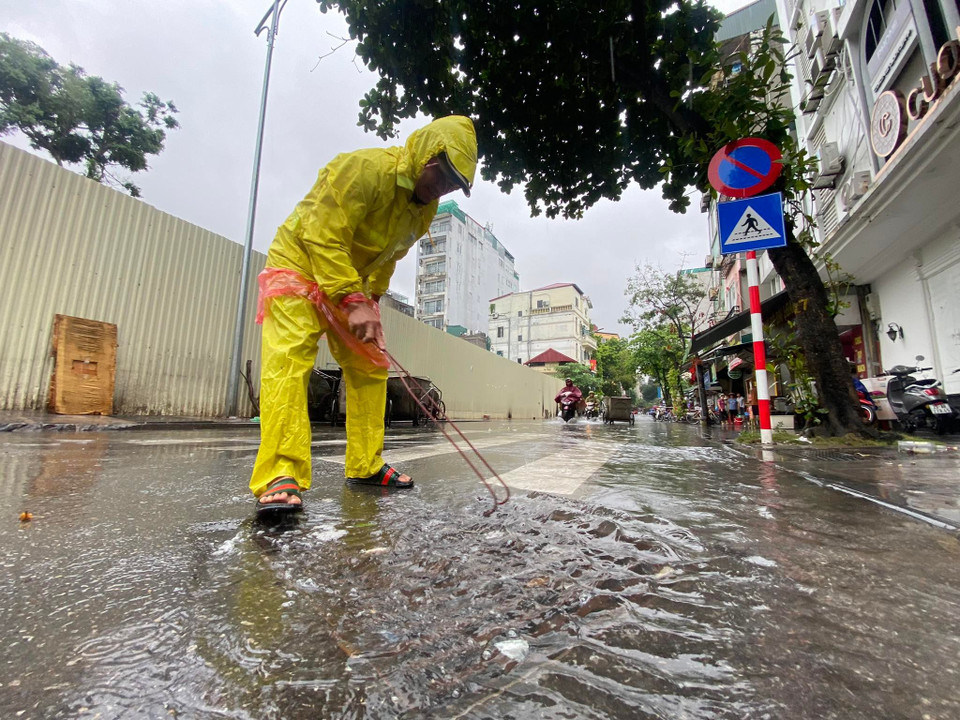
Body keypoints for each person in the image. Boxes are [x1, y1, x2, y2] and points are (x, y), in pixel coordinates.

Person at [251, 116, 478, 517]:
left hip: (351, 282)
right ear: (426, 157)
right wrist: (350, 296)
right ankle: (280, 473)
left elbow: (391, 254)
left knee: (371, 366)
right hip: (299, 263)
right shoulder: (364, 169)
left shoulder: (423, 212)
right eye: (441, 175)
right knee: (289, 360)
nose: (442, 187)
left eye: (453, 183)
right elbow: (322, 233)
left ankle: (365, 465)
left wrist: (369, 299)